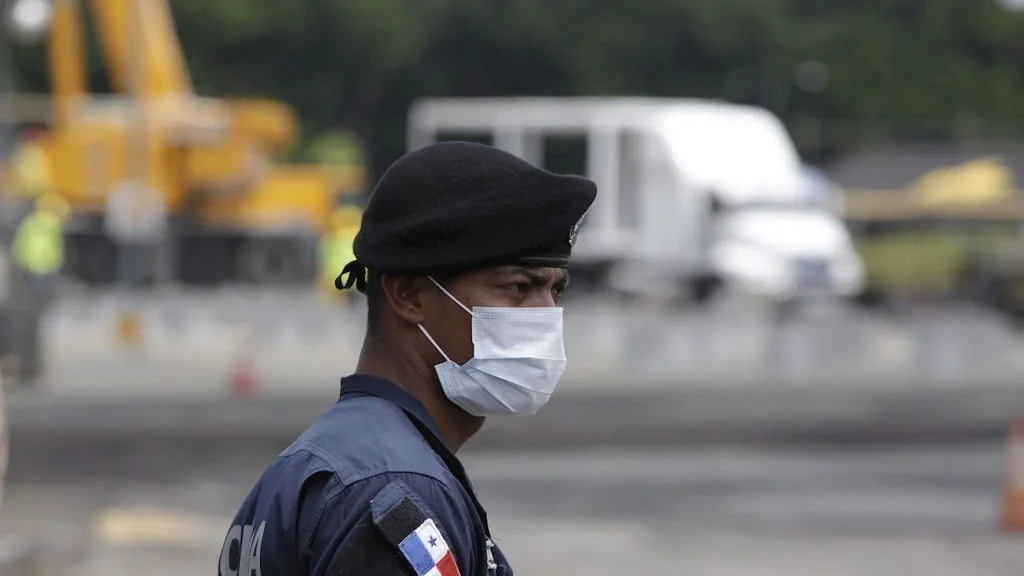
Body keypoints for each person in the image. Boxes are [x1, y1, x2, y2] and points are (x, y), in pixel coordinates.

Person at [219, 141, 596, 576]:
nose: (546, 315)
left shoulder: (308, 467)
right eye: (516, 288)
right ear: (410, 296)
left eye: (556, 289)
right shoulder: (394, 490)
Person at [9, 192, 68, 386]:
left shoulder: (32, 223)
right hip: (40, 276)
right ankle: (30, 363)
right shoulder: (50, 225)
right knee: (33, 322)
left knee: (29, 322)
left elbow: (19, 250)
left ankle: (27, 363)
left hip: (31, 276)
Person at [318, 205, 361, 305]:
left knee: (340, 305)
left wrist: (322, 284)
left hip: (338, 277)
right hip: (358, 277)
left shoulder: (331, 238)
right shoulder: (359, 236)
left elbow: (323, 260)